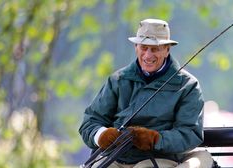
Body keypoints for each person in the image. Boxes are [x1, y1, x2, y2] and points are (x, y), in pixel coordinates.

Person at [79, 19, 214, 168]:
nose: (148, 55)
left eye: (155, 49)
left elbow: (189, 134)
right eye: (144, 47)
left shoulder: (188, 86)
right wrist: (101, 135)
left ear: (167, 49)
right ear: (136, 47)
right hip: (114, 158)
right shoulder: (117, 80)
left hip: (160, 159)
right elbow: (90, 122)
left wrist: (154, 139)